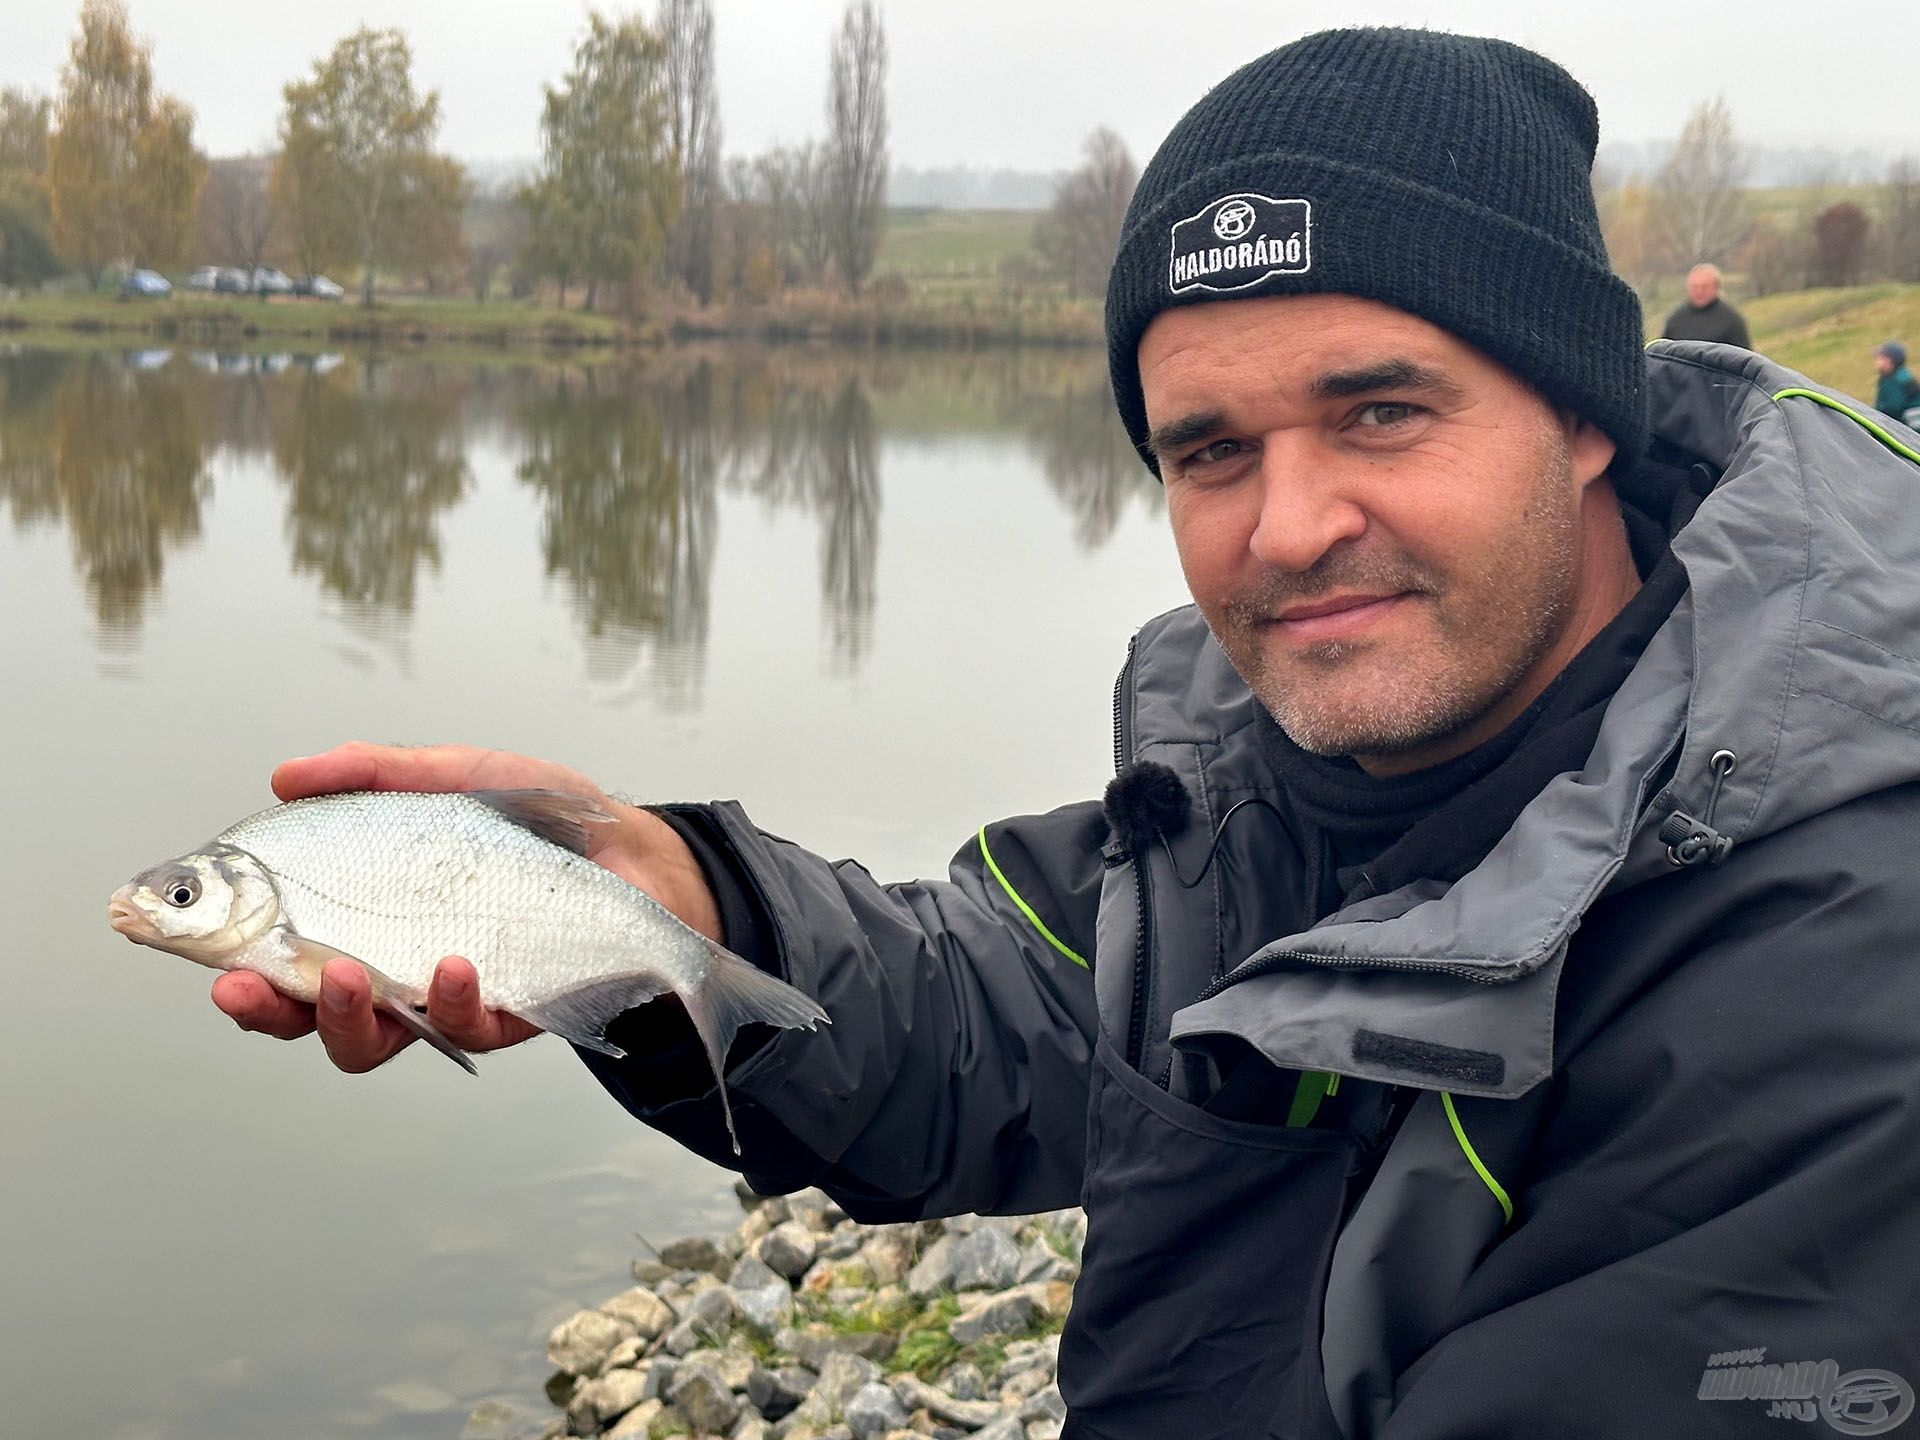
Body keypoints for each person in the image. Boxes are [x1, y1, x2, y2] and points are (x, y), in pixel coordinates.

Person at [217, 29, 1920, 1439]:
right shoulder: (1272, 789)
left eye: (1381, 410)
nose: (1288, 526)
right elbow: (988, 1010)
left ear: (1583, 416)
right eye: (1209, 451)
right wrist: (681, 916)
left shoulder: (1837, 956)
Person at [1660, 261, 1752, 348]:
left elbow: (1743, 358)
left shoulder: (1732, 320)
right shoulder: (1676, 319)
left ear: (1716, 287)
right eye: (1694, 287)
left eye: (1705, 287)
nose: (1699, 292)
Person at [1873, 339, 1920, 423]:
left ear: (1889, 361)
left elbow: (1891, 409)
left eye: (1880, 358)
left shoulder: (1898, 380)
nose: (1877, 362)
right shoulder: (1887, 378)